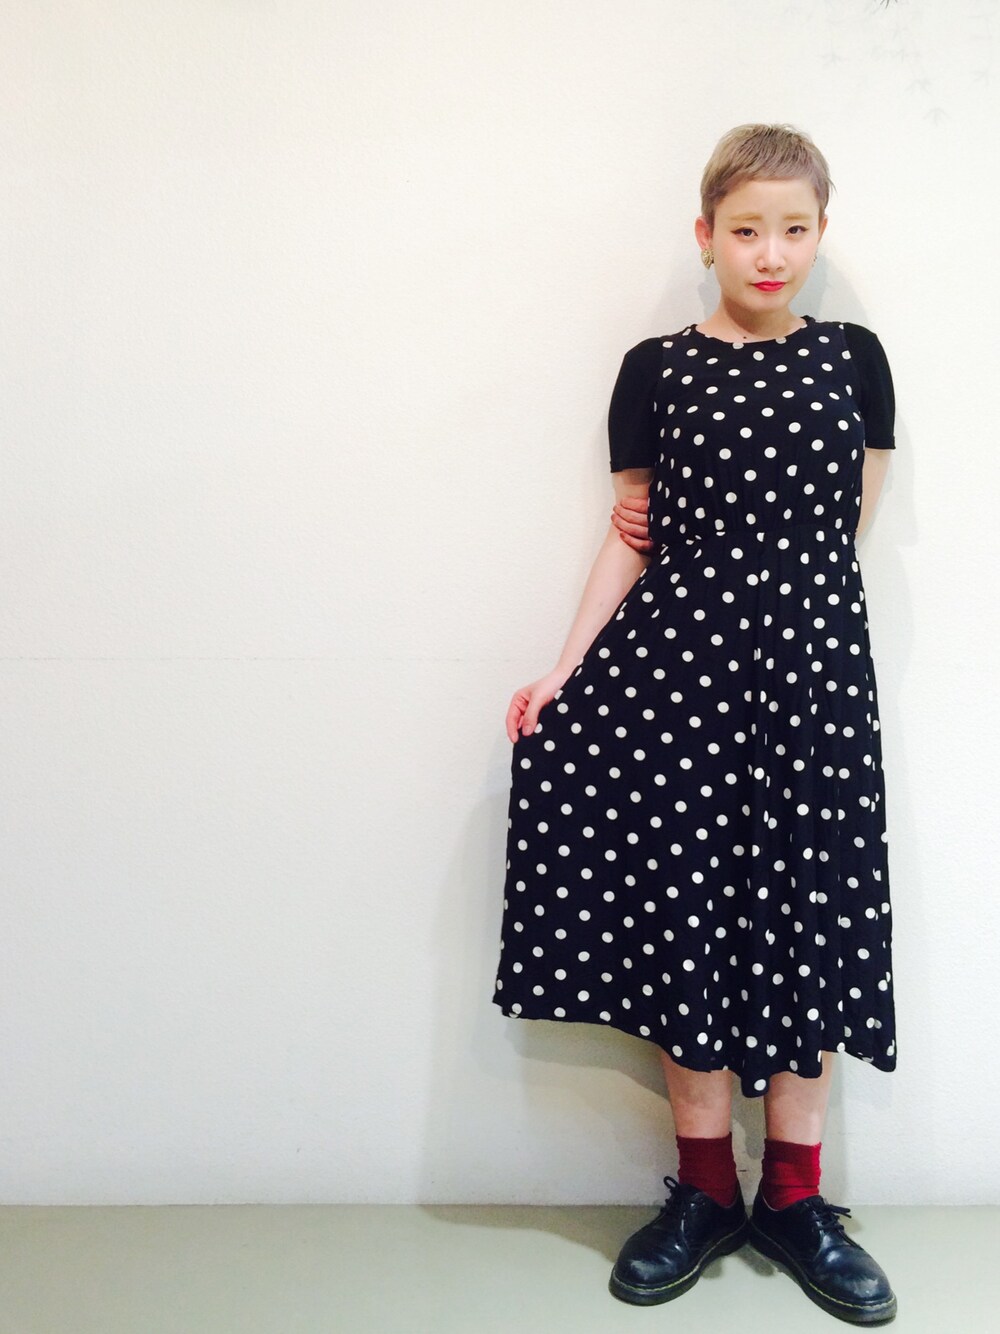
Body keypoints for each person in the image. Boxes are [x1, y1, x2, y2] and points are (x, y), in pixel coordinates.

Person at [492, 124, 898, 1325]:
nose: (769, 251)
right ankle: (706, 1191)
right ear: (705, 234)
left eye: (793, 229)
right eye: (746, 228)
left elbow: (846, 527)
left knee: (809, 912)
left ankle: (796, 1201)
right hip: (675, 683)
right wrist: (566, 668)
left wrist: (786, 619)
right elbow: (632, 532)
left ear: (820, 233)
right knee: (690, 914)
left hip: (812, 682)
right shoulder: (654, 370)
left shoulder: (855, 360)